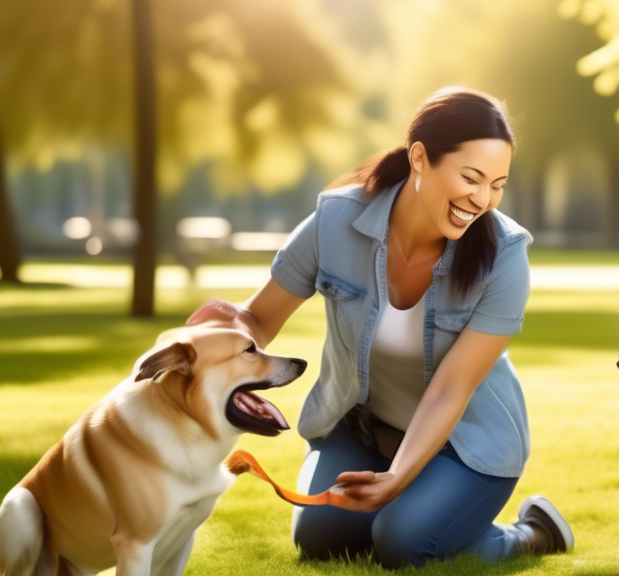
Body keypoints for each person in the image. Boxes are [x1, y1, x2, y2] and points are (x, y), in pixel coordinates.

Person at [186, 87, 573, 568]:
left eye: (497, 184)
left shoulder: (505, 255)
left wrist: (400, 477)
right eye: (471, 178)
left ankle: (530, 533)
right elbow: (260, 319)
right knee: (322, 538)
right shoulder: (335, 221)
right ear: (419, 158)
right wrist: (224, 327)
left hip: (466, 444)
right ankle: (420, 508)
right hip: (364, 429)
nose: (482, 199)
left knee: (403, 544)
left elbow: (453, 387)